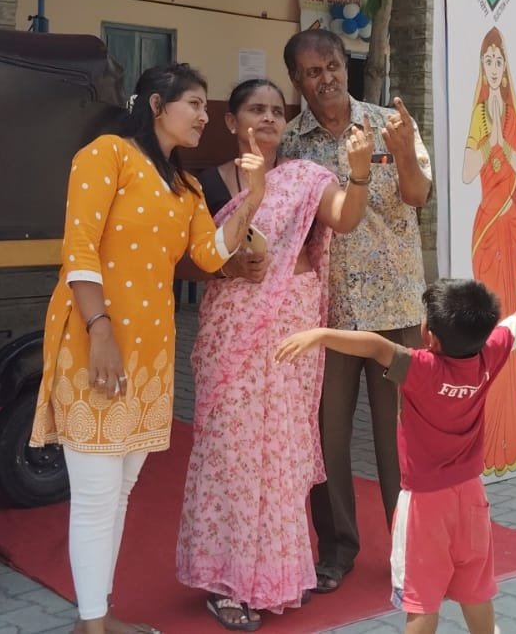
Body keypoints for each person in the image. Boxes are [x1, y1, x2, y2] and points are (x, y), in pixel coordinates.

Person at [29, 63, 269, 634]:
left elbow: (210, 257)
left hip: (151, 355)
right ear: (157, 105)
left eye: (207, 106)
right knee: (93, 494)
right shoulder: (105, 154)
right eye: (195, 104)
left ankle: (99, 616)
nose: (204, 116)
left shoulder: (185, 186)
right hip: (95, 342)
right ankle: (93, 624)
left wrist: (253, 196)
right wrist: (101, 331)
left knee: (121, 492)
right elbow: (79, 248)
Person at [275, 282, 516, 634]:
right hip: (471, 498)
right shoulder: (490, 354)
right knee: (476, 590)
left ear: (430, 337)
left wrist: (320, 334)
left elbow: (375, 345)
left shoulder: (421, 368)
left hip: (424, 505)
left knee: (421, 603)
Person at [175, 79, 373, 630]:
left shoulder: (307, 177)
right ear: (231, 120)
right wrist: (252, 200)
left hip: (293, 326)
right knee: (232, 453)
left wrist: (358, 173)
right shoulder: (204, 185)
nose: (267, 119)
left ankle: (278, 575)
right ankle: (226, 581)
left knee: (281, 452)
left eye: (276, 112)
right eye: (255, 110)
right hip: (234, 330)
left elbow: (346, 217)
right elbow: (194, 259)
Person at [277, 29, 431, 593]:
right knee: (327, 436)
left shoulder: (389, 125)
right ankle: (337, 548)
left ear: (349, 65)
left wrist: (409, 145)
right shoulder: (291, 144)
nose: (326, 78)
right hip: (328, 314)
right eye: (312, 71)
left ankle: (408, 547)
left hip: (396, 305)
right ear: (297, 79)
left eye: (334, 65)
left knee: (400, 441)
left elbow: (417, 196)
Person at [459, 28, 516, 475]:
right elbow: (469, 174)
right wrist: (485, 135)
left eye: (499, 61)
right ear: (482, 66)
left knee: (509, 321)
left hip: (508, 227)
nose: (493, 68)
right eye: (487, 61)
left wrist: (503, 140)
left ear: (506, 67)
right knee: (486, 322)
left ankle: (512, 429)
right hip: (485, 230)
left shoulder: (511, 115)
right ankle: (487, 428)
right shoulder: (481, 115)